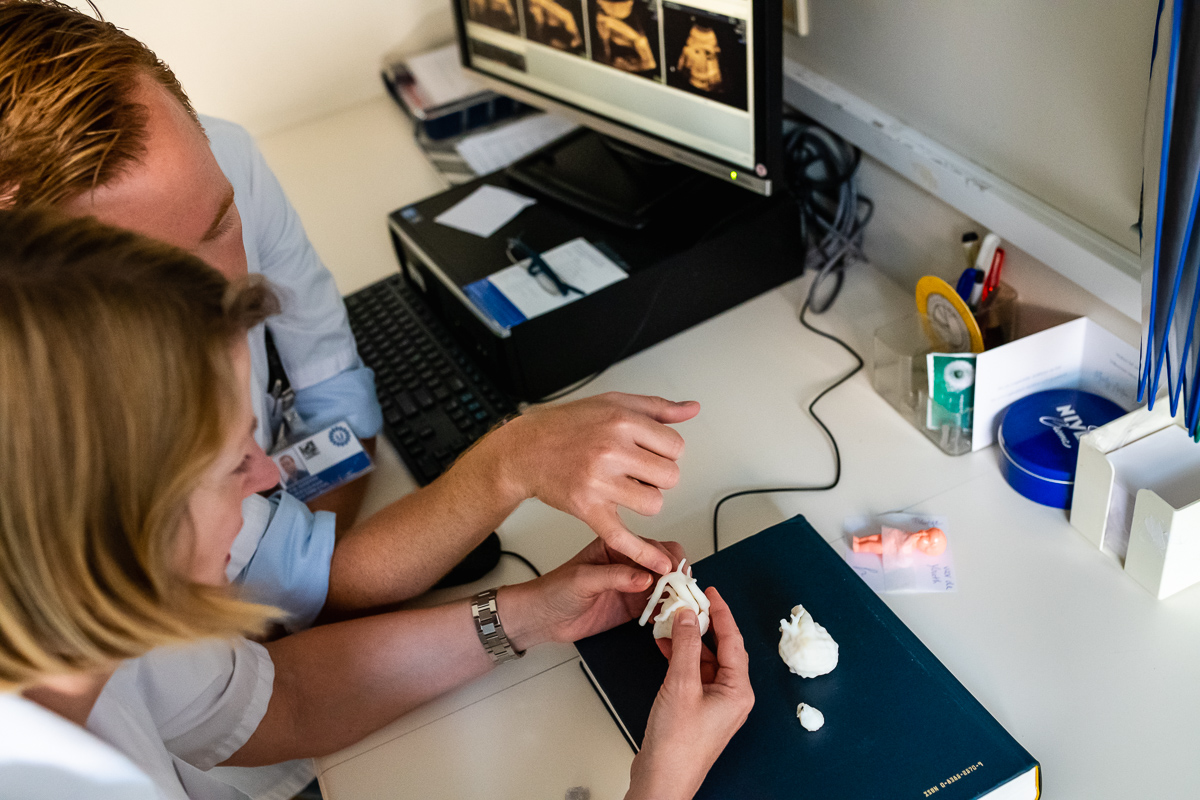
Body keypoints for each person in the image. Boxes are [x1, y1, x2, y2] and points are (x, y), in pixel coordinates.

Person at [0, 208, 754, 800]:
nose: (269, 477)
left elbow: (279, 699)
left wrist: (533, 613)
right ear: (105, 525)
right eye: (232, 460)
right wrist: (660, 786)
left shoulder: (80, 616)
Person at [0, 0, 697, 632]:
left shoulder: (216, 154)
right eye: (155, 276)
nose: (226, 298)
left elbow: (323, 355)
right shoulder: (53, 436)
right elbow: (269, 625)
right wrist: (331, 557)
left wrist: (310, 536)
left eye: (220, 224)